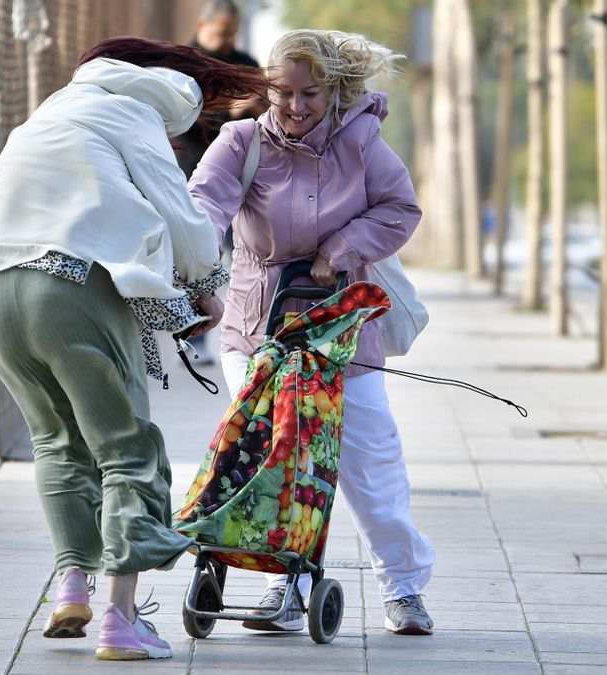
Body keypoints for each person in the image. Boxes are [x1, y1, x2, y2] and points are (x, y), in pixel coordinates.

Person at [0, 36, 268, 661]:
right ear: (176, 87)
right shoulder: (135, 112)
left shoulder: (47, 113)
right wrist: (208, 287)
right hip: (69, 284)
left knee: (56, 443)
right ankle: (121, 622)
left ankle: (71, 584)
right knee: (126, 448)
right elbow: (178, 212)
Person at [188, 29, 436, 636]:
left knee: (370, 466)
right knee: (278, 462)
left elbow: (401, 209)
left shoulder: (361, 143)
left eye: (310, 94)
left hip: (342, 334)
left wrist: (344, 246)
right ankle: (286, 584)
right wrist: (191, 267)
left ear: (333, 89)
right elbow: (201, 209)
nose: (296, 106)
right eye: (283, 93)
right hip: (257, 332)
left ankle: (402, 588)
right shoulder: (241, 142)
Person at [177, 0, 268, 365]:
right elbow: (179, 117)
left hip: (238, 173)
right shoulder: (183, 63)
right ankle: (192, 334)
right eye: (221, 33)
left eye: (232, 34)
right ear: (202, 25)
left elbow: (269, 111)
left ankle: (250, 330)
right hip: (192, 168)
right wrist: (226, 112)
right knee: (196, 252)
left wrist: (254, 107)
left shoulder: (244, 62)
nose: (228, 42)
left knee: (243, 250)